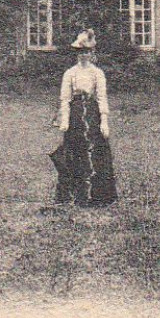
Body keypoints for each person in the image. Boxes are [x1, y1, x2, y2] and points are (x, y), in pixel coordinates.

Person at [49, 31, 117, 208]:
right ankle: (74, 195)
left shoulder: (97, 73)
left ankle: (98, 196)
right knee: (75, 152)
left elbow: (102, 98)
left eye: (87, 51)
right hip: (76, 115)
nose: (83, 55)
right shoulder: (70, 73)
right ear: (76, 54)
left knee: (96, 152)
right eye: (80, 52)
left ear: (92, 53)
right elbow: (65, 99)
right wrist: (64, 120)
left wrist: (104, 121)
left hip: (92, 114)